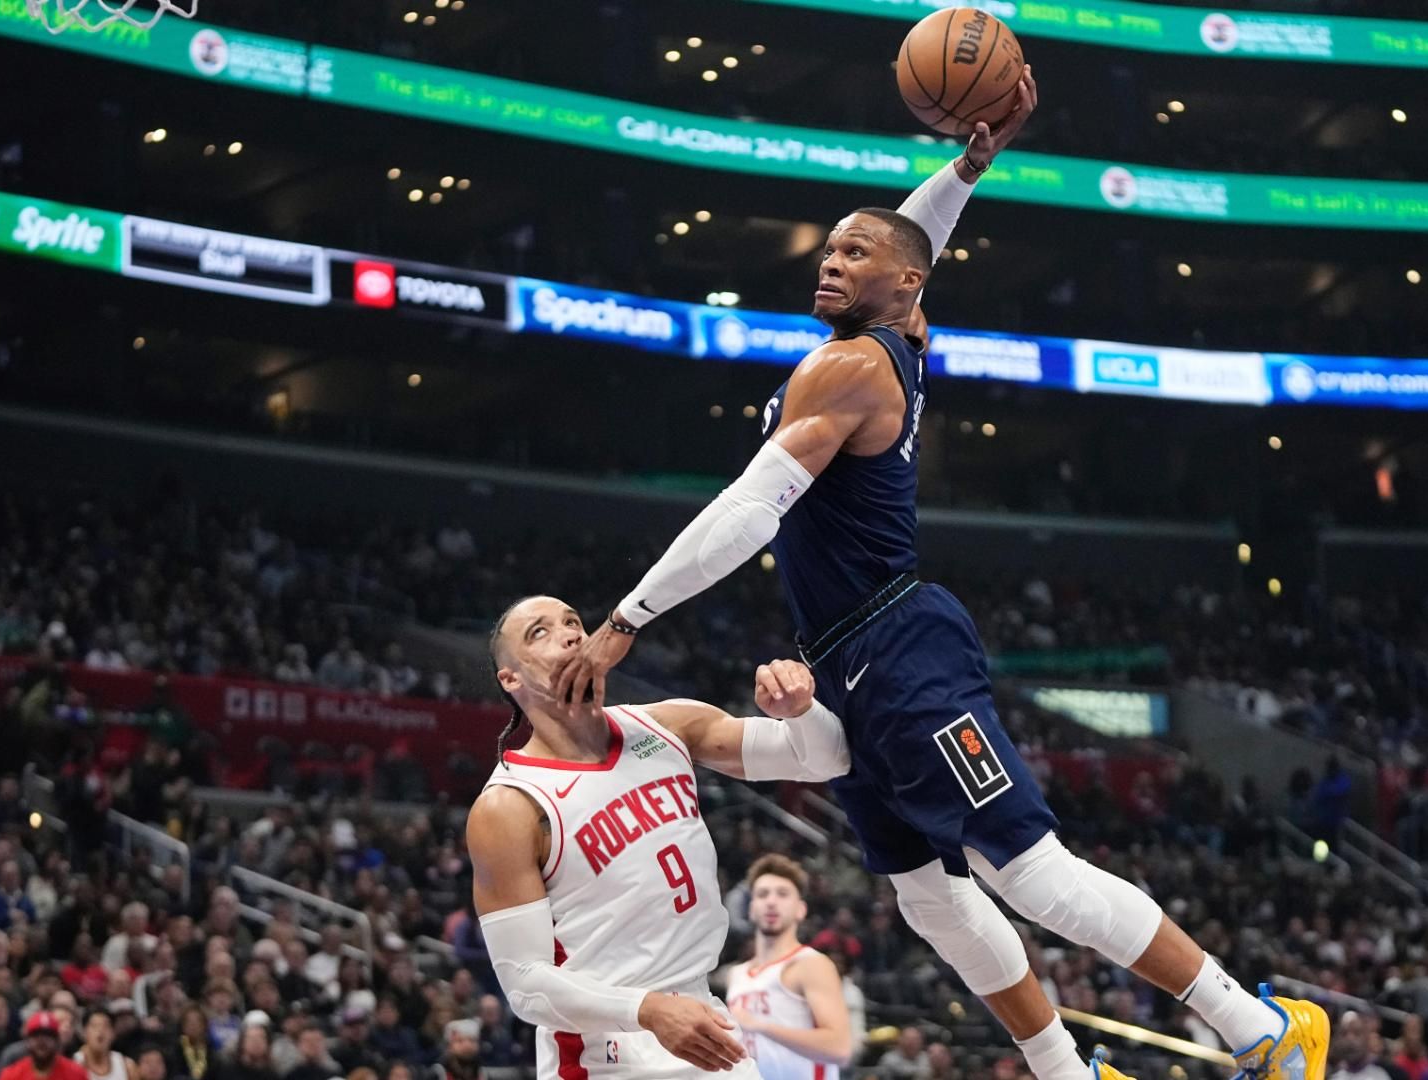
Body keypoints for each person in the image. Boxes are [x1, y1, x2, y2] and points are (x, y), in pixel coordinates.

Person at [550, 68, 1327, 1080]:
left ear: (904, 283)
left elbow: (751, 506)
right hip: (848, 657)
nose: (829, 261)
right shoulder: (892, 335)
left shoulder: (856, 366)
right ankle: (1064, 1073)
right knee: (928, 898)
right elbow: (912, 237)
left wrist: (629, 617)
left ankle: (1257, 1030)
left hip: (898, 645)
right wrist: (965, 169)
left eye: (853, 252)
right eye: (827, 247)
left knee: (1031, 873)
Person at [468, 597, 852, 1079]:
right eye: (539, 633)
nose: (568, 633)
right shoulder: (510, 805)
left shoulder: (666, 725)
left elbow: (825, 758)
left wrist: (800, 711)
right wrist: (645, 1010)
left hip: (704, 1020)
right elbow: (525, 985)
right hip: (606, 1051)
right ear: (511, 679)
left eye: (573, 622)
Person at [723, 855, 852, 1079]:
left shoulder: (811, 964)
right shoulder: (736, 974)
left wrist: (762, 1027)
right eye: (763, 894)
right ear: (752, 908)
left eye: (782, 894)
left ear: (801, 909)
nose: (771, 901)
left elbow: (839, 1048)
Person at [0, 1013, 89, 1080]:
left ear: (57, 1041)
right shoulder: (11, 1076)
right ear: (27, 1041)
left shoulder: (76, 1074)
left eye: (48, 1035)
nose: (42, 1042)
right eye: (36, 1036)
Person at [73, 1009, 136, 1080]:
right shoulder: (73, 1064)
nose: (100, 1031)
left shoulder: (127, 1066)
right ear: (84, 1032)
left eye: (106, 1026)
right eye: (94, 1026)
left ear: (113, 1033)